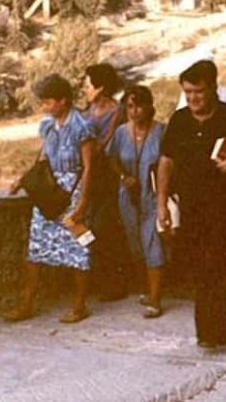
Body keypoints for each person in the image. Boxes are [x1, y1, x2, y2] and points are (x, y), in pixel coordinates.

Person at [155, 60, 226, 349]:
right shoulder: (179, 120)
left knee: (211, 262)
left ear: (213, 88)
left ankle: (210, 334)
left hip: (225, 203)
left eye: (199, 92)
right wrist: (162, 203)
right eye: (188, 92)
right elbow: (166, 161)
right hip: (191, 206)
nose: (193, 99)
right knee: (203, 266)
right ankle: (214, 331)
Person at [5, 74, 98, 324]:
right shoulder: (49, 126)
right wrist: (23, 180)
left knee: (78, 247)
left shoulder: (82, 126)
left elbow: (89, 168)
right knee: (36, 247)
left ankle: (79, 306)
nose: (45, 107)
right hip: (49, 192)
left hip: (73, 191)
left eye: (48, 102)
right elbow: (42, 158)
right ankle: (27, 303)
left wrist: (82, 205)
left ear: (63, 101)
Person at [106, 86, 167, 318]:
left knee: (153, 243)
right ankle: (147, 289)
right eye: (130, 106)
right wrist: (124, 176)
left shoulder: (162, 131)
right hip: (128, 197)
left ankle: (155, 298)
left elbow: (170, 163)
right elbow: (112, 159)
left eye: (139, 105)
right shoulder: (122, 132)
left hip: (152, 196)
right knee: (137, 243)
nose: (134, 111)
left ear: (150, 106)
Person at [81, 63, 132, 301]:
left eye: (88, 84)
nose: (84, 88)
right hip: (89, 175)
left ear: (100, 88)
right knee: (89, 228)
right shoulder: (87, 111)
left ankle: (113, 283)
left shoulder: (116, 113)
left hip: (108, 177)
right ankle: (97, 279)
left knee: (105, 228)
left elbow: (110, 147)